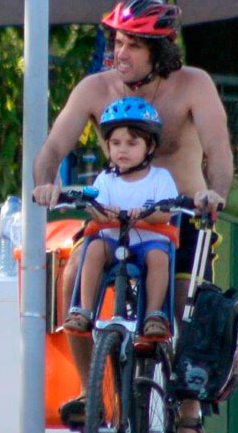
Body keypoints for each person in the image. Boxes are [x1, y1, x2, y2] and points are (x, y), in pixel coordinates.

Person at [32, 0, 233, 433]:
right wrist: (46, 181)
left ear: (158, 51)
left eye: (133, 46)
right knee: (72, 280)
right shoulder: (95, 88)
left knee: (184, 306)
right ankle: (92, 389)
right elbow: (52, 148)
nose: (119, 53)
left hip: (177, 219)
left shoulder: (194, 84)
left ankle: (186, 404)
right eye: (117, 42)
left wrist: (215, 193)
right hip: (112, 216)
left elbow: (219, 149)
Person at [63, 97, 178, 339]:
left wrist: (146, 214)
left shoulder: (160, 178)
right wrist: (99, 210)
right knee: (93, 248)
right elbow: (94, 202)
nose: (122, 149)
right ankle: (83, 311)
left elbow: (166, 211)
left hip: (148, 241)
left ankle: (154, 315)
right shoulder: (105, 179)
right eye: (115, 143)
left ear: (149, 147)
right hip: (113, 239)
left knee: (159, 257)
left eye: (131, 143)